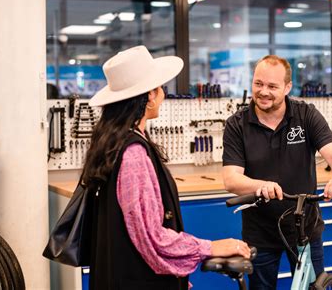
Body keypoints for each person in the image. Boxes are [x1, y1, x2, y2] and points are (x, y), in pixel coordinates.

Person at [83, 45, 251, 290]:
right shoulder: (133, 155)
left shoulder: (111, 144)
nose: (162, 93)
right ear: (149, 95)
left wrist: (176, 275)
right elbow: (153, 238)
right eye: (160, 88)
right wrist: (211, 247)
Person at [222, 55, 332, 289]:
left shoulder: (306, 115)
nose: (264, 92)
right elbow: (231, 179)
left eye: (272, 86)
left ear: (287, 87)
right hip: (260, 232)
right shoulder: (237, 124)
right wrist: (260, 186)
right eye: (258, 84)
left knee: (313, 286)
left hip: (305, 229)